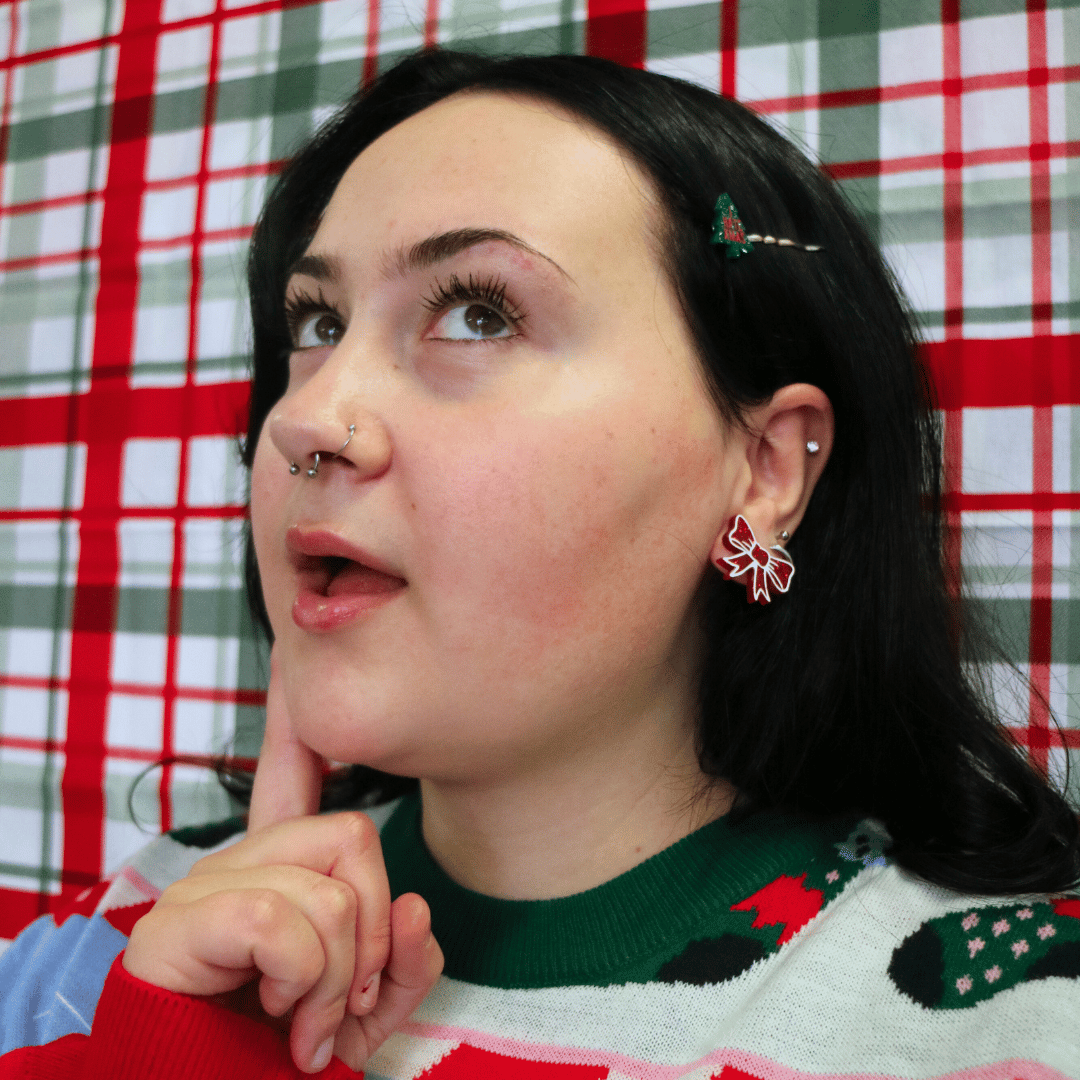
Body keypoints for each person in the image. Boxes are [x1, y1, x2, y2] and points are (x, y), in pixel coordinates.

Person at [2, 47, 1079, 1080]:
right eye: (316, 320)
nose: (308, 420)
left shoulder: (1012, 1019)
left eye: (479, 313)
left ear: (763, 468)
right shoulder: (95, 948)